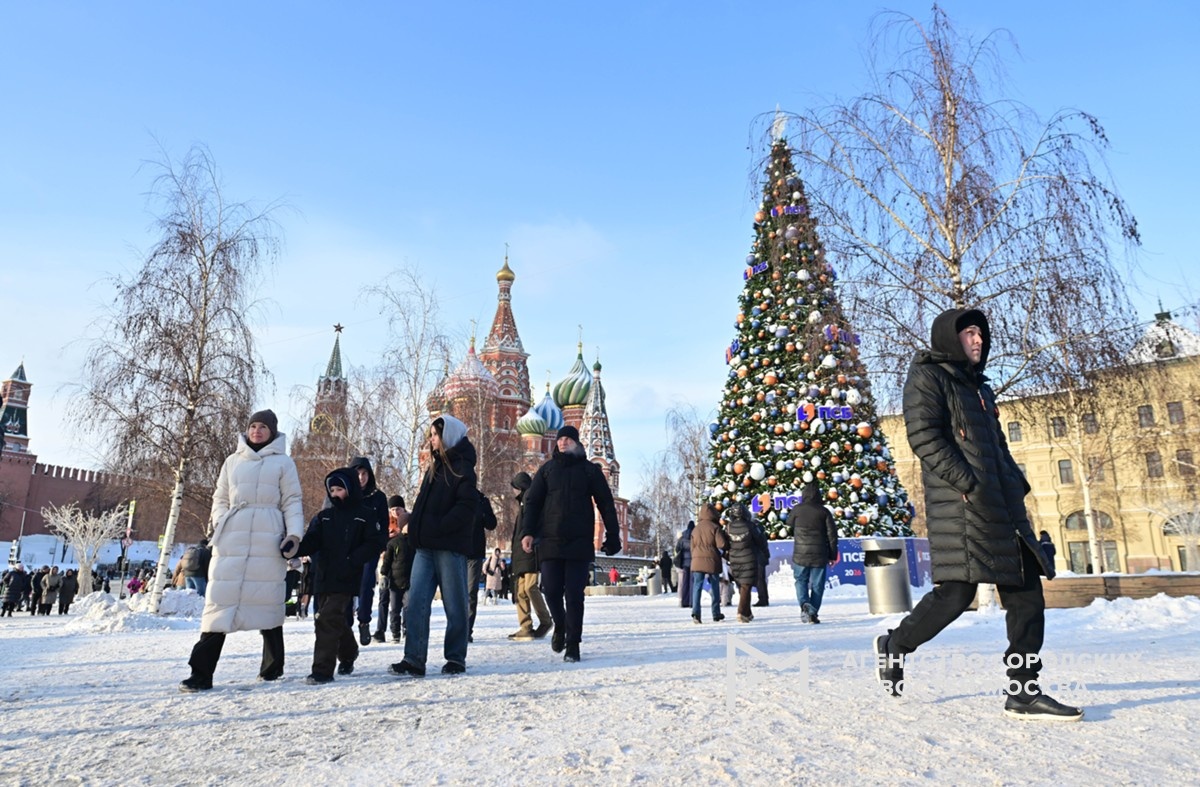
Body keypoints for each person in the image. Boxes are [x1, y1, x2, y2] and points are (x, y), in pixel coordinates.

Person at [874, 308, 1082, 721]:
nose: (978, 341)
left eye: (980, 335)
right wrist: (968, 483)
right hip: (965, 507)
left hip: (1003, 505)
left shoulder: (982, 389)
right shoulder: (928, 376)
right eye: (969, 334)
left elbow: (998, 446)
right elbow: (924, 437)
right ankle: (895, 644)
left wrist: (1015, 483)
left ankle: (1023, 692)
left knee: (1026, 594)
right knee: (955, 596)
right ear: (951, 338)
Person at [179, 409, 305, 693]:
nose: (257, 431)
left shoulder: (284, 463)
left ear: (272, 431)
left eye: (262, 427)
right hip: (232, 536)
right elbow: (220, 496)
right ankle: (200, 673)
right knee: (219, 602)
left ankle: (272, 667)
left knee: (268, 600)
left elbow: (292, 501)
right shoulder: (232, 461)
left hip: (268, 535)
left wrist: (294, 535)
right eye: (253, 426)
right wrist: (219, 520)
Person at [518, 424, 621, 663]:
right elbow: (532, 502)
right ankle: (561, 626)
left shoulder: (589, 471)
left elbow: (605, 502)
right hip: (550, 540)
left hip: (579, 541)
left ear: (577, 443)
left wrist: (613, 536)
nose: (563, 442)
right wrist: (528, 532)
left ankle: (573, 643)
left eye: (568, 439)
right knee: (551, 590)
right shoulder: (547, 470)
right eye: (560, 439)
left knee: (574, 595)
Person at [389, 415, 479, 678]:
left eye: (435, 435)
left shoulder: (462, 468)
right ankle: (414, 658)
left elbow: (466, 509)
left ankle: (455, 658)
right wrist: (411, 521)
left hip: (449, 546)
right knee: (415, 602)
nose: (431, 439)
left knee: (455, 604)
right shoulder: (434, 467)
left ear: (447, 436)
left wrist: (436, 527)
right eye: (431, 435)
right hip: (424, 547)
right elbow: (424, 507)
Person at [294, 467, 383, 684]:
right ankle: (349, 652)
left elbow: (375, 542)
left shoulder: (364, 516)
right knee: (333, 621)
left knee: (327, 619)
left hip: (347, 577)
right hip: (323, 576)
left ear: (350, 489)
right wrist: (293, 547)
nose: (335, 494)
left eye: (339, 489)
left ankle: (322, 671)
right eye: (331, 490)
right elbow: (310, 541)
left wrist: (353, 559)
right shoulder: (323, 517)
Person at [347, 457, 390, 648]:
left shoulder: (378, 497)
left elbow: (384, 525)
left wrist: (379, 544)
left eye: (364, 474)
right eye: (357, 473)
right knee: (347, 587)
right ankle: (346, 624)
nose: (361, 477)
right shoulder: (344, 493)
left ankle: (364, 621)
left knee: (366, 584)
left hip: (369, 548)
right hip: (347, 548)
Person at [507, 471, 552, 641]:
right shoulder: (524, 503)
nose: (513, 491)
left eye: (514, 487)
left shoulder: (530, 501)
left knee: (529, 588)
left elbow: (532, 526)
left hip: (530, 551)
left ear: (520, 487)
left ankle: (544, 621)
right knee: (521, 590)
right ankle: (526, 627)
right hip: (523, 552)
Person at [787, 481, 840, 624]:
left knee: (800, 580)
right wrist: (833, 554)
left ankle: (805, 604)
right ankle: (813, 613)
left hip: (800, 553)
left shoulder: (797, 510)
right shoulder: (824, 511)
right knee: (817, 585)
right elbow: (832, 535)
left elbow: (788, 523)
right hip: (819, 554)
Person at [726, 503, 769, 623]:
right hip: (748, 558)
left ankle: (747, 612)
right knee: (746, 585)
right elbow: (760, 541)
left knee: (743, 586)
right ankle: (741, 612)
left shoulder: (728, 527)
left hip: (734, 559)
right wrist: (765, 553)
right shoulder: (750, 526)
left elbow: (725, 543)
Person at [379, 495, 413, 643]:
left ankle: (405, 629)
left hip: (405, 570)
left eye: (397, 509)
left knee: (405, 605)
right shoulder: (386, 522)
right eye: (392, 509)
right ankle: (384, 630)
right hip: (389, 567)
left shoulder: (409, 521)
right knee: (386, 600)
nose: (395, 512)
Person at [466, 489, 498, 641]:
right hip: (456, 550)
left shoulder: (482, 500)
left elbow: (492, 523)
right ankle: (456, 627)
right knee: (455, 593)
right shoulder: (454, 493)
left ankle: (466, 630)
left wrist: (483, 515)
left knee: (471, 592)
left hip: (475, 552)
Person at [689, 504, 727, 624]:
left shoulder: (696, 529)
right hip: (712, 560)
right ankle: (716, 614)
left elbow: (692, 547)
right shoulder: (715, 527)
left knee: (697, 587)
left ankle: (696, 613)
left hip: (697, 561)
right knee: (714, 586)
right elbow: (721, 544)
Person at [752, 517, 771, 607]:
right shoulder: (759, 528)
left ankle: (763, 599)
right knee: (761, 579)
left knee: (759, 579)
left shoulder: (755, 529)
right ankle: (764, 598)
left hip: (758, 556)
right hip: (762, 556)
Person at [674, 522, 694, 608]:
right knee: (692, 582)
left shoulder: (682, 538)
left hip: (684, 563)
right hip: (693, 562)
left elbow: (677, 549)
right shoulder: (695, 536)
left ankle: (684, 601)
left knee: (684, 582)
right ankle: (691, 602)